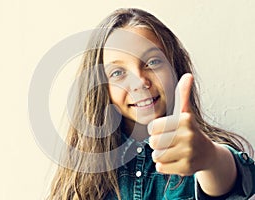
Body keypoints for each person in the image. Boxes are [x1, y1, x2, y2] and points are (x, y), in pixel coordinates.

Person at [47, 8, 255, 200]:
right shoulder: (83, 169)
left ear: (175, 66)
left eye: (153, 62)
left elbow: (235, 177)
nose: (140, 82)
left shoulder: (202, 149)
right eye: (117, 73)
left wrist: (209, 158)